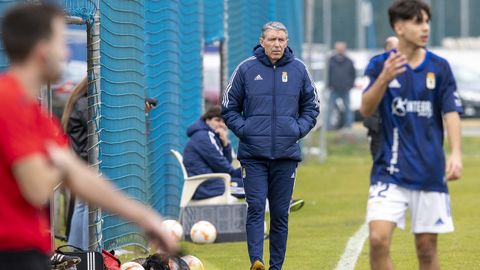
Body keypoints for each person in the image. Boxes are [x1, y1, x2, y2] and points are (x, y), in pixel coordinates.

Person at [0, 4, 177, 269]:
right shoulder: (9, 102)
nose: (66, 53)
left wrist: (145, 218)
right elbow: (37, 188)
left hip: (27, 252)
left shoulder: (35, 114)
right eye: (61, 42)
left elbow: (81, 178)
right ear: (42, 49)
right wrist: (61, 163)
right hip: (10, 253)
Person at [360, 1, 463, 269]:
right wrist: (384, 78)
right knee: (378, 239)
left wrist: (456, 153)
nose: (425, 28)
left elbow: (451, 112)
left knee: (426, 249)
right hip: (389, 169)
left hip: (429, 170)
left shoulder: (439, 68)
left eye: (427, 21)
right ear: (399, 27)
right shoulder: (379, 65)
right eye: (418, 22)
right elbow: (366, 108)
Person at [222, 21, 319, 270]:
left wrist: (296, 130)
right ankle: (256, 261)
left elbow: (312, 106)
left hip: (286, 155)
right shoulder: (245, 69)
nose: (277, 44)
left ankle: (276, 267)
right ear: (262, 41)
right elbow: (229, 107)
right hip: (253, 155)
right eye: (272, 39)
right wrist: (246, 131)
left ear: (287, 42)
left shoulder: (299, 70)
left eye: (281, 40)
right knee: (255, 208)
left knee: (279, 214)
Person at [183, 105, 245, 200]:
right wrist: (242, 173)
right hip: (205, 187)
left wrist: (225, 145)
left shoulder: (210, 135)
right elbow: (222, 166)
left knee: (253, 182)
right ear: (207, 120)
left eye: (223, 121)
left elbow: (224, 164)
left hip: (212, 183)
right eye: (217, 120)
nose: (221, 124)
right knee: (254, 187)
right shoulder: (203, 136)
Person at [61, 77, 89, 250]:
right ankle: (87, 252)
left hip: (82, 159)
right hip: (86, 159)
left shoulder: (79, 102)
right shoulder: (85, 104)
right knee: (87, 206)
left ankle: (76, 251)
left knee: (82, 205)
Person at [362, 36, 399, 159]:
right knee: (380, 160)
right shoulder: (376, 66)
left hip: (397, 126)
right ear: (386, 48)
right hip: (378, 124)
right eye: (394, 49)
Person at [326, 41, 356, 130]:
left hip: (345, 89)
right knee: (329, 109)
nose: (340, 50)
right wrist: (329, 85)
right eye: (338, 48)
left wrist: (350, 85)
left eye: (342, 48)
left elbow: (353, 74)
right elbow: (327, 74)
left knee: (348, 109)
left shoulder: (349, 61)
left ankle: (349, 126)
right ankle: (328, 127)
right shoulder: (331, 60)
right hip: (334, 89)